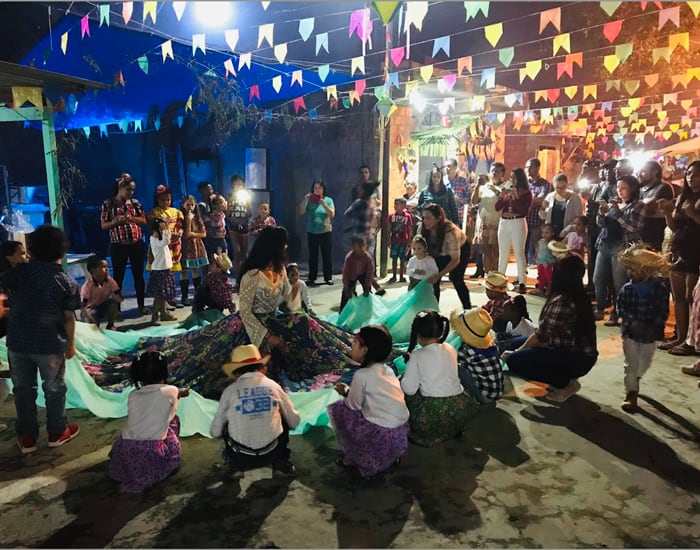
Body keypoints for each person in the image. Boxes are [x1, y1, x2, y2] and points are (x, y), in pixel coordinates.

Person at [2, 225, 81, 454]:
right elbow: (68, 319)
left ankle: (27, 437)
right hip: (50, 344)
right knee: (54, 388)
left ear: (33, 250)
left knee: (23, 389)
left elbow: (5, 282)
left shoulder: (19, 273)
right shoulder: (66, 282)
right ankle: (57, 432)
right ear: (62, 252)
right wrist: (71, 344)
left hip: (18, 342)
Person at [504, 255, 598, 402]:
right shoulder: (579, 294)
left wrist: (516, 353)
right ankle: (560, 373)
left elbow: (540, 336)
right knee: (514, 343)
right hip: (569, 350)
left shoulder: (562, 301)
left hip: (576, 357)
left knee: (514, 360)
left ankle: (564, 382)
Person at [328, 325, 409, 479]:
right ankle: (392, 455)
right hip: (399, 433)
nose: (351, 347)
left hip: (380, 435)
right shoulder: (388, 370)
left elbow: (353, 405)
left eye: (354, 344)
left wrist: (345, 392)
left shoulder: (362, 375)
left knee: (341, 410)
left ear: (364, 350)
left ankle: (356, 458)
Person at [211, 344, 300, 479]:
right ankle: (281, 464)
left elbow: (215, 431)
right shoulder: (273, 386)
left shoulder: (230, 391)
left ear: (236, 373)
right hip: (271, 452)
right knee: (283, 414)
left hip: (241, 455)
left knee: (226, 419)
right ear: (262, 369)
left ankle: (234, 467)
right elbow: (294, 421)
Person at [108, 351, 188, 493]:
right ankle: (157, 465)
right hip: (151, 452)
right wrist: (180, 394)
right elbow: (168, 408)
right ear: (164, 372)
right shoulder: (172, 390)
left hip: (125, 449)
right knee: (173, 422)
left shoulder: (133, 394)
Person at [401, 310, 477, 446]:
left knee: (402, 388)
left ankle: (431, 435)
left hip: (435, 415)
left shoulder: (417, 355)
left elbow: (409, 390)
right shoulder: (450, 348)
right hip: (462, 409)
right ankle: (452, 429)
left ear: (417, 333)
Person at [616, 245, 670, 413]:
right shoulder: (627, 289)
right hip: (630, 333)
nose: (630, 273)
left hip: (650, 334)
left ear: (646, 271)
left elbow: (663, 311)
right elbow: (620, 308)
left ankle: (637, 378)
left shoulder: (659, 289)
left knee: (644, 363)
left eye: (634, 269)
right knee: (630, 364)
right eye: (629, 269)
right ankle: (631, 393)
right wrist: (631, 321)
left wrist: (651, 325)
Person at [657, 160, 700, 354]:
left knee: (692, 299)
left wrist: (692, 214)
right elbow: (675, 227)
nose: (692, 178)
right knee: (679, 299)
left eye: (697, 175)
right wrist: (667, 213)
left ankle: (692, 342)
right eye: (689, 174)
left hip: (696, 253)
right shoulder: (684, 197)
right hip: (680, 251)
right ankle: (681, 338)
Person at [593, 175, 645, 326]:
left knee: (619, 282)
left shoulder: (638, 205)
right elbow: (601, 224)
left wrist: (617, 213)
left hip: (622, 246)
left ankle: (618, 313)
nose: (619, 191)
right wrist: (601, 213)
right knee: (598, 278)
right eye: (618, 188)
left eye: (623, 188)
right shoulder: (613, 203)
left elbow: (634, 228)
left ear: (633, 189)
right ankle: (600, 308)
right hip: (605, 244)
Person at [100, 173, 149, 315]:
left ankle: (141, 305)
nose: (131, 193)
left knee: (138, 275)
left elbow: (143, 220)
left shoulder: (135, 203)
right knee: (118, 278)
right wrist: (116, 222)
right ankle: (117, 309)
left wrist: (131, 218)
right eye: (128, 190)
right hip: (118, 245)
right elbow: (103, 225)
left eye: (133, 190)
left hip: (136, 244)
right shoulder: (109, 204)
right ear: (120, 188)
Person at [415, 204, 471, 309]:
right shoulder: (422, 228)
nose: (425, 221)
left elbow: (455, 260)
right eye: (423, 218)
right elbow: (418, 248)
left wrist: (439, 275)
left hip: (459, 250)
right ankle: (434, 312)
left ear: (438, 218)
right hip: (438, 252)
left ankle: (467, 309)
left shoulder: (450, 231)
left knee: (457, 279)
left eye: (428, 218)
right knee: (432, 280)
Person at [451, 308, 504, 404]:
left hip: (484, 396)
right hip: (496, 393)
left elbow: (452, 360)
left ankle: (469, 396)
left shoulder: (467, 350)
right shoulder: (491, 345)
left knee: (456, 367)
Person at [496, 168, 534, 294]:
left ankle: (522, 281)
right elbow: (498, 207)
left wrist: (514, 197)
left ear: (520, 178)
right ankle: (500, 279)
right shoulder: (507, 191)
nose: (511, 180)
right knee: (503, 252)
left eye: (514, 177)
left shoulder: (526, 193)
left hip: (517, 222)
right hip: (504, 222)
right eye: (510, 177)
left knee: (518, 252)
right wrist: (502, 196)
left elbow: (523, 211)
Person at [586, 160, 618, 293]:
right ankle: (592, 287)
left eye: (611, 169)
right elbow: (590, 206)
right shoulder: (597, 186)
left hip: (609, 229)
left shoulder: (618, 187)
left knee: (608, 266)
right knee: (592, 257)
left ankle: (607, 292)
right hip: (594, 226)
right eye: (605, 169)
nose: (608, 172)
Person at [299, 179, 335, 286]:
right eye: (315, 188)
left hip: (325, 231)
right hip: (312, 231)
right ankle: (312, 277)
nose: (317, 190)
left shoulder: (328, 200)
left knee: (326, 255)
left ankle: (328, 277)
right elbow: (301, 211)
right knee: (313, 255)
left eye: (319, 188)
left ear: (323, 189)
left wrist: (324, 205)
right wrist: (305, 200)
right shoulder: (310, 201)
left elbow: (332, 214)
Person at [471, 170, 503, 277]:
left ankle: (496, 273)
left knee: (495, 249)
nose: (494, 173)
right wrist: (477, 186)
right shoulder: (483, 188)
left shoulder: (504, 186)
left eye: (496, 171)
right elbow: (474, 201)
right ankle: (487, 273)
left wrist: (496, 190)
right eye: (492, 171)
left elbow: (504, 200)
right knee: (485, 249)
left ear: (502, 173)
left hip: (497, 222)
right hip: (484, 222)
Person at [148, 184, 184, 279]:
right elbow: (153, 227)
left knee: (172, 267)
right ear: (157, 200)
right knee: (162, 266)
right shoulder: (155, 212)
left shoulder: (176, 212)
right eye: (162, 200)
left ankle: (170, 286)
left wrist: (180, 233)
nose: (166, 202)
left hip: (174, 243)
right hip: (161, 243)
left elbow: (180, 226)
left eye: (168, 200)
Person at [638, 160, 674, 252]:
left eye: (643, 171)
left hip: (657, 238)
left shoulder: (663, 187)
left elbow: (649, 206)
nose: (639, 174)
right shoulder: (640, 189)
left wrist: (637, 204)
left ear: (655, 172)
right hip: (641, 238)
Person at [147, 217, 177, 326]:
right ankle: (155, 316)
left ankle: (164, 313)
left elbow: (167, 241)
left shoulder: (161, 236)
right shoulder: (153, 238)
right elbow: (164, 242)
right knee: (159, 296)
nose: (164, 224)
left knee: (163, 295)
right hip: (159, 270)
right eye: (162, 223)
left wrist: (166, 230)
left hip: (165, 268)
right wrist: (165, 231)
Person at [180, 194, 209, 307]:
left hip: (197, 245)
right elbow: (186, 234)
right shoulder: (182, 217)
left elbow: (204, 234)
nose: (190, 207)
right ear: (183, 205)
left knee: (196, 270)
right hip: (186, 246)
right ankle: (184, 296)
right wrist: (188, 220)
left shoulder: (197, 218)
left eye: (192, 204)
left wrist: (194, 234)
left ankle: (197, 295)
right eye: (188, 204)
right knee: (184, 271)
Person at [80, 255, 122, 330]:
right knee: (93, 328)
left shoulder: (110, 281)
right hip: (90, 310)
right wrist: (90, 319)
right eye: (103, 267)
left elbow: (119, 297)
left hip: (103, 306)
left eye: (107, 267)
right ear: (93, 270)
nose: (107, 269)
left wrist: (117, 297)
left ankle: (110, 325)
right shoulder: (87, 286)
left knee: (113, 304)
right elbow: (82, 307)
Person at [524, 158, 553, 266]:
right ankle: (523, 272)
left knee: (538, 247)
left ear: (537, 168)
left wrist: (525, 202)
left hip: (537, 221)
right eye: (526, 167)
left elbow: (541, 200)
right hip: (524, 221)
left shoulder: (545, 184)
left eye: (530, 167)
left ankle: (539, 272)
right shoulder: (524, 184)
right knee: (523, 248)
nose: (527, 169)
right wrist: (532, 202)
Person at [539, 173, 583, 238]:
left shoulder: (575, 198)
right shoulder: (550, 196)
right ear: (554, 186)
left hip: (567, 234)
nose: (560, 190)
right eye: (557, 188)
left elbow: (578, 218)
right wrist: (542, 207)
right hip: (551, 234)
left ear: (567, 185)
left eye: (563, 188)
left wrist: (566, 230)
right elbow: (543, 217)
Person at [340, 236, 375, 313]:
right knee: (346, 294)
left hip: (363, 274)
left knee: (368, 292)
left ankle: (369, 311)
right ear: (353, 248)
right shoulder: (349, 258)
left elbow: (370, 273)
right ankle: (342, 313)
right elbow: (345, 274)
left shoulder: (367, 257)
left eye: (363, 246)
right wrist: (347, 287)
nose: (361, 248)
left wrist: (367, 286)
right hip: (351, 275)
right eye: (358, 247)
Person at [228, 175, 253, 278]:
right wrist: (230, 202)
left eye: (239, 184)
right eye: (235, 184)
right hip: (233, 226)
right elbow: (227, 213)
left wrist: (247, 203)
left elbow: (250, 213)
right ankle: (238, 274)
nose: (237, 186)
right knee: (236, 250)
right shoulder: (229, 196)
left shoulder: (246, 196)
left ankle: (244, 274)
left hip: (244, 224)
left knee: (244, 252)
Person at [387, 197, 413, 283]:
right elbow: (389, 228)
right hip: (394, 241)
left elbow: (409, 230)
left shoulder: (408, 216)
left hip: (403, 241)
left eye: (397, 204)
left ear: (403, 206)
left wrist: (409, 242)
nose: (395, 206)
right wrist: (388, 239)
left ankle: (401, 276)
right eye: (395, 204)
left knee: (402, 259)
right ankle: (394, 276)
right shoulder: (392, 216)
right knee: (394, 258)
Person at [445, 158, 470, 229]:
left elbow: (469, 198)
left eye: (449, 166)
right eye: (446, 166)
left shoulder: (463, 181)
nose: (447, 168)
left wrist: (459, 200)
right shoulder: (442, 180)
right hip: (445, 216)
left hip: (458, 216)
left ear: (455, 167)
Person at [203, 194, 229, 261]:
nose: (225, 203)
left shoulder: (222, 215)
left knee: (224, 261)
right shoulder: (211, 216)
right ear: (215, 205)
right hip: (214, 241)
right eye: (223, 202)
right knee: (217, 261)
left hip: (222, 239)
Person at [535, 223, 557, 296]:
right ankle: (540, 289)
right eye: (543, 232)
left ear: (552, 233)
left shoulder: (553, 243)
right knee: (541, 276)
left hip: (549, 263)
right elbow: (537, 250)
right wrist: (535, 257)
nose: (544, 234)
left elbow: (555, 253)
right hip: (540, 262)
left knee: (549, 277)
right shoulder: (540, 241)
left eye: (547, 233)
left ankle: (549, 290)